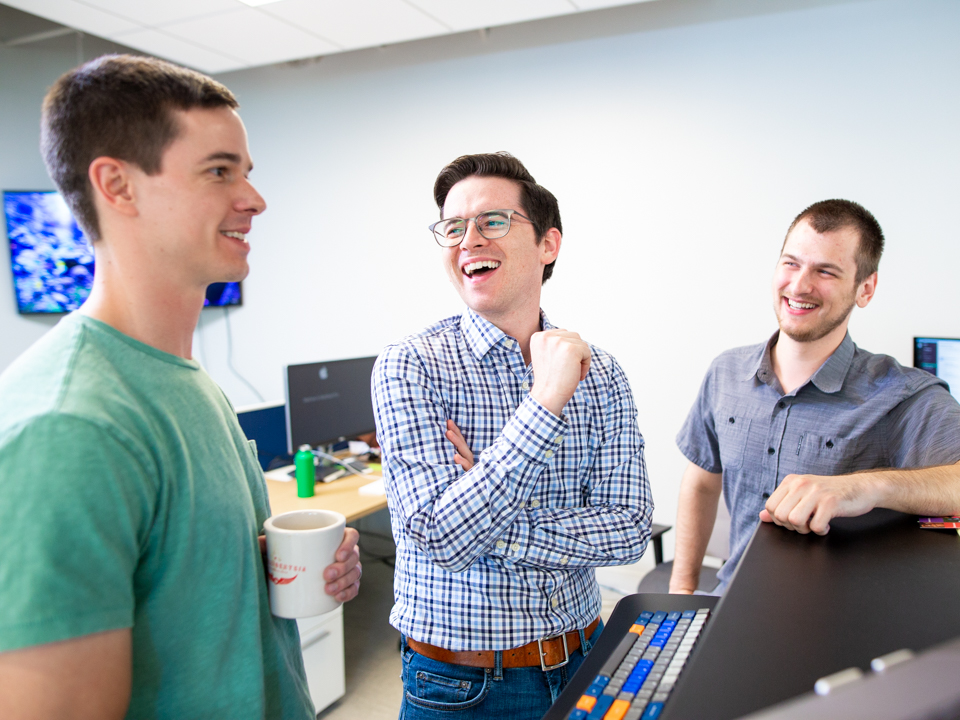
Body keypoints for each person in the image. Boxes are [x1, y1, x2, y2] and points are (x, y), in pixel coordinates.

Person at [0, 55, 361, 719]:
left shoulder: (187, 380)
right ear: (117, 186)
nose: (254, 199)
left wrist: (273, 568)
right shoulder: (68, 426)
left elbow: (183, 583)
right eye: (220, 171)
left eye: (246, 173)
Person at [372, 152, 653, 719]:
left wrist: (484, 507)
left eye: (493, 221)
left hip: (584, 658)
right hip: (460, 687)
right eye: (453, 227)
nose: (468, 239)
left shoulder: (603, 373)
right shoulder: (410, 367)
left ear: (548, 245)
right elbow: (437, 537)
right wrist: (545, 402)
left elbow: (628, 530)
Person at [670, 199, 960, 596]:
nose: (800, 285)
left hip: (834, 633)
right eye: (791, 263)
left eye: (825, 271)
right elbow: (701, 483)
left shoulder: (902, 395)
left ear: (865, 289)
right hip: (728, 606)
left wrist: (862, 488)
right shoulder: (726, 373)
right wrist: (681, 592)